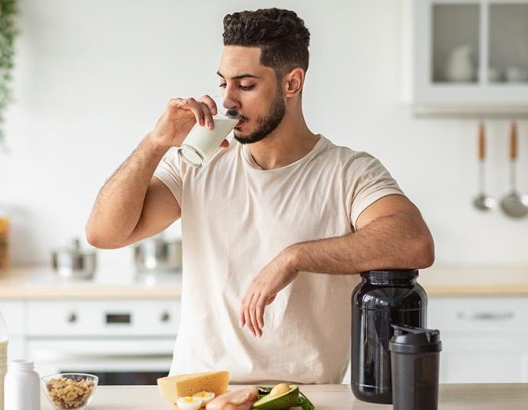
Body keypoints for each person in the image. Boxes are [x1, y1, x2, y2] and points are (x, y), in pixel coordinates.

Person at [86, 8, 434, 384]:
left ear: (292, 83)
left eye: (245, 85)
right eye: (223, 84)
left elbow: (414, 242)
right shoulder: (198, 162)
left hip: (301, 399)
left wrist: (294, 257)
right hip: (200, 394)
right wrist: (154, 144)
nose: (228, 101)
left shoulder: (348, 172)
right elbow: (104, 234)